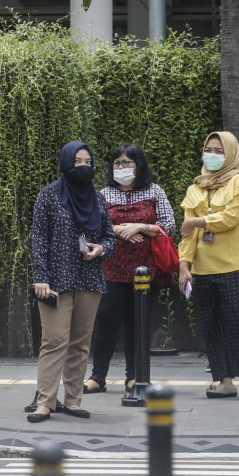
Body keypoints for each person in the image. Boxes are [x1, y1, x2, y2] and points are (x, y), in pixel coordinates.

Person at [28, 141, 115, 423]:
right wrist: (41, 277)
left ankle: (73, 401)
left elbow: (109, 236)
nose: (84, 167)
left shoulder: (98, 199)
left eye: (88, 162)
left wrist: (102, 249)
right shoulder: (49, 195)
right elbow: (39, 239)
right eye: (78, 161)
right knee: (54, 340)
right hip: (56, 280)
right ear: (66, 163)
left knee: (80, 342)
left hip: (89, 279)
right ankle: (45, 402)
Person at [178, 132, 239, 398]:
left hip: (235, 264)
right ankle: (224, 380)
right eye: (209, 149)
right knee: (211, 323)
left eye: (219, 150)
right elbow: (187, 235)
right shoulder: (195, 189)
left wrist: (198, 222)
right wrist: (184, 266)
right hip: (203, 268)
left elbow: (230, 218)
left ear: (230, 153)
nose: (213, 155)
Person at [84, 144, 176, 394]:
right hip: (111, 267)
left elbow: (168, 224)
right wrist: (118, 230)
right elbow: (92, 226)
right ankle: (97, 376)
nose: (121, 168)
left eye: (127, 163)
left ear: (139, 166)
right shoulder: (102, 194)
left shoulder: (154, 191)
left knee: (139, 322)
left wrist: (140, 227)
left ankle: (135, 376)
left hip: (145, 269)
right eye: (117, 163)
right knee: (105, 318)